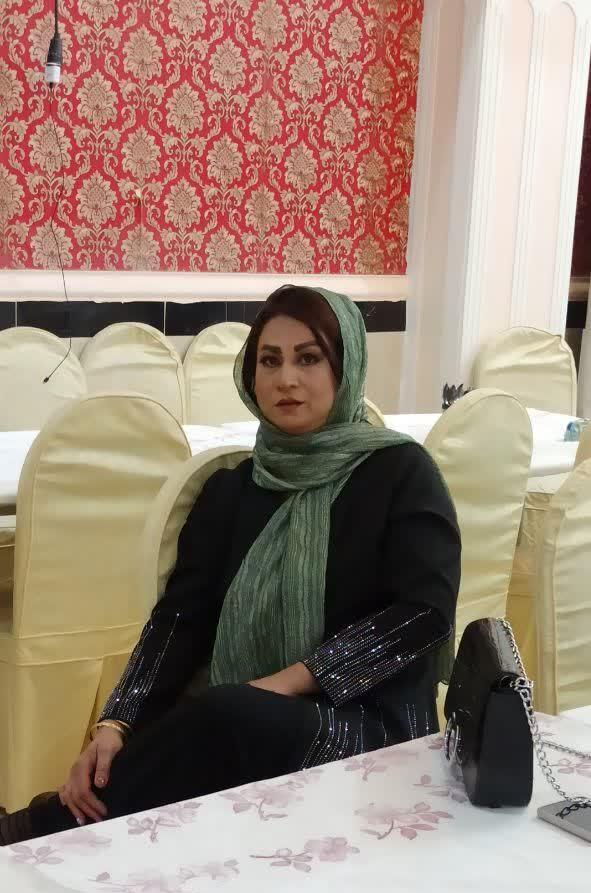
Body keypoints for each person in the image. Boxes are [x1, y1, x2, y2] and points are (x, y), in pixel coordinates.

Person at [0, 287, 461, 845]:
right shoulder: (231, 490)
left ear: (347, 368)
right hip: (246, 713)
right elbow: (180, 621)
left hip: (367, 722)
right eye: (269, 360)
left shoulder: (401, 472)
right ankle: (60, 830)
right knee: (205, 721)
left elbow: (424, 613)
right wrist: (114, 724)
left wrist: (286, 684)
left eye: (308, 358)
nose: (286, 379)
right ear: (250, 376)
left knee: (224, 714)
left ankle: (38, 829)